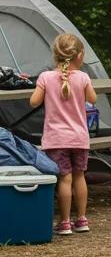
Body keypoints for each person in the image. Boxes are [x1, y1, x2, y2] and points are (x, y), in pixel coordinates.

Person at [29, 33, 97, 236]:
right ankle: (82, 219)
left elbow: (33, 102)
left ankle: (65, 222)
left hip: (56, 139)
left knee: (64, 180)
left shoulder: (46, 78)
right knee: (79, 177)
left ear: (55, 55)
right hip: (79, 138)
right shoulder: (84, 78)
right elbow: (92, 99)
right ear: (80, 55)